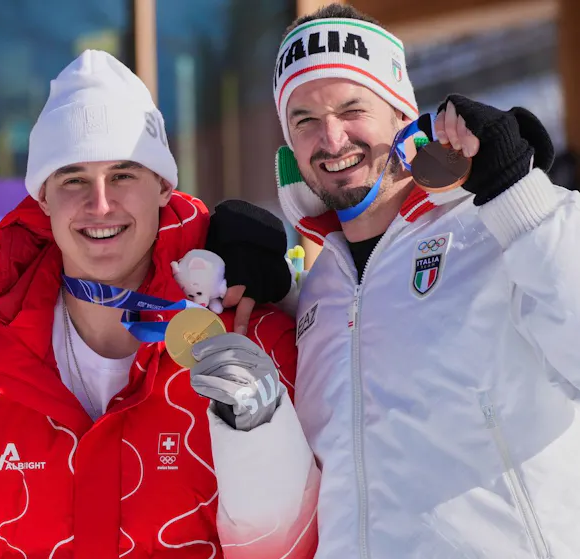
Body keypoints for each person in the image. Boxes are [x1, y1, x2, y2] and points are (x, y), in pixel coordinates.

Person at [0, 49, 319, 558]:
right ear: (41, 198)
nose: (101, 204)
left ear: (162, 185)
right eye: (73, 180)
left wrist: (262, 437)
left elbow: (297, 547)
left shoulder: (254, 341)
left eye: (123, 175)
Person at [208, 3, 580, 558]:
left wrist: (520, 197)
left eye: (351, 108)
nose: (331, 139)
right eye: (305, 120)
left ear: (401, 111)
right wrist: (279, 300)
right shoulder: (320, 291)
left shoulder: (495, 231)